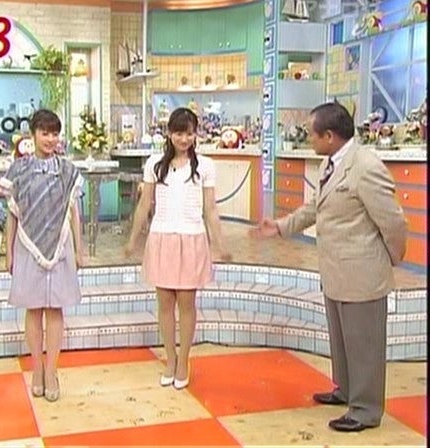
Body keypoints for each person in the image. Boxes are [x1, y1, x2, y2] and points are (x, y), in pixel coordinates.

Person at [251, 102, 407, 432]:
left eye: (312, 134)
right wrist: (281, 226)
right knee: (343, 339)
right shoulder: (332, 163)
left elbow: (393, 221)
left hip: (363, 273)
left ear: (330, 136)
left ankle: (366, 409)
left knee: (364, 343)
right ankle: (347, 390)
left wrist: (390, 258)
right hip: (336, 271)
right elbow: (315, 208)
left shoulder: (365, 166)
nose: (308, 139)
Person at [125, 107, 232, 390]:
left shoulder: (205, 166)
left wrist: (220, 244)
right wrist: (132, 240)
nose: (184, 139)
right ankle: (170, 359)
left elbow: (210, 209)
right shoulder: (154, 164)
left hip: (192, 238)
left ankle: (184, 360)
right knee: (164, 304)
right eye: (179, 133)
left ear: (196, 135)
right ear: (169, 134)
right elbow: (144, 205)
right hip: (162, 237)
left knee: (186, 303)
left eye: (189, 133)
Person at [0, 109, 85, 402]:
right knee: (33, 309)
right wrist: (8, 251)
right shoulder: (18, 170)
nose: (50, 139)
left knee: (55, 308)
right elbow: (12, 214)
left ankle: (51, 370)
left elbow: (74, 212)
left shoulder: (67, 170)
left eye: (54, 133)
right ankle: (36, 369)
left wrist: (80, 249)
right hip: (27, 247)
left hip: (60, 247)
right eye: (44, 133)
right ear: (33, 134)